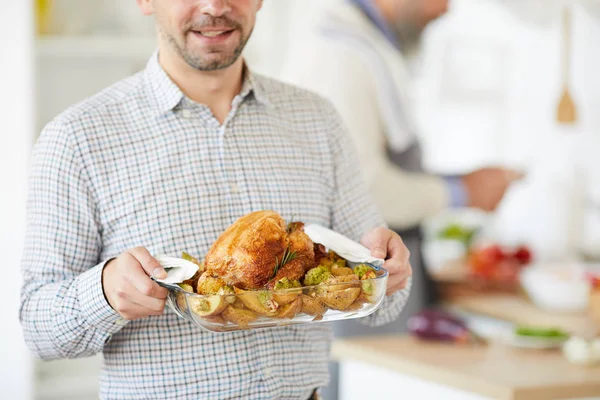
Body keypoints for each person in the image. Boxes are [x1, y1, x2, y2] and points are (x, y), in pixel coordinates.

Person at [19, 1, 412, 399]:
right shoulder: (78, 137)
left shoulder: (317, 120)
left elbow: (384, 298)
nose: (215, 6)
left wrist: (389, 268)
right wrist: (103, 291)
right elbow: (38, 330)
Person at [281, 0, 521, 398]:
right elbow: (366, 191)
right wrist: (463, 192)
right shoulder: (339, 54)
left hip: (381, 284)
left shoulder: (364, 44)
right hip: (351, 292)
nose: (445, 9)